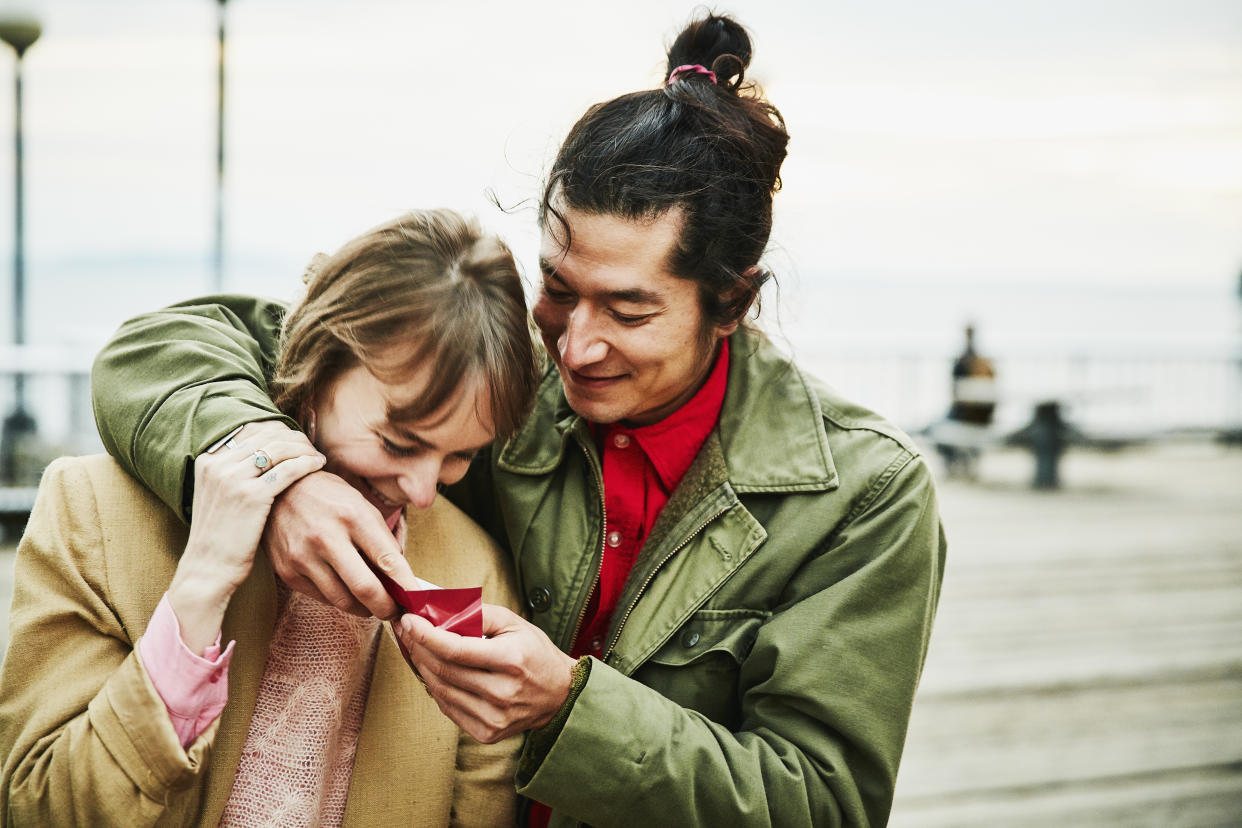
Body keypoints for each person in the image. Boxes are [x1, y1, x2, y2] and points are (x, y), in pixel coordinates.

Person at [87, 15, 946, 827]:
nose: (574, 348)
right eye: (559, 290)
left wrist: (571, 711)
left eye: (628, 312)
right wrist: (282, 479)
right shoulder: (502, 391)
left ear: (732, 300)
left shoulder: (867, 496)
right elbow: (167, 347)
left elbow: (822, 804)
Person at [0, 209, 540, 826]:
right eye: (398, 441)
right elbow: (35, 808)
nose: (421, 491)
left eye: (460, 456)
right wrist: (200, 587)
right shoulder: (90, 511)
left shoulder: (478, 571)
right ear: (314, 367)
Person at [936, 324, 997, 478]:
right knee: (941, 428)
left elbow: (954, 392)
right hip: (979, 419)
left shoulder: (966, 362)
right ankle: (962, 464)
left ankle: (955, 466)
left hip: (965, 416)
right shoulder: (984, 363)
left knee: (937, 429)